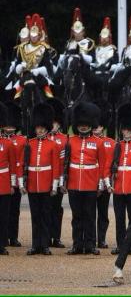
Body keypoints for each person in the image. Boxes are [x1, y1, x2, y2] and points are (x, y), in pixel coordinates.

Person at [62, 102, 105, 255]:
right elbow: (65, 164)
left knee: (90, 215)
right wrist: (64, 182)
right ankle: (77, 244)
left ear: (90, 125)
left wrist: (100, 184)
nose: (83, 127)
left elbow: (102, 164)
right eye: (80, 124)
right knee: (76, 216)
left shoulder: (98, 142)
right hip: (74, 183)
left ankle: (90, 244)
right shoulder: (71, 141)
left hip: (90, 183)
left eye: (86, 124)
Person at [104, 103, 131, 255]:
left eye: (128, 130)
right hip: (118, 188)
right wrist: (108, 183)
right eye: (124, 130)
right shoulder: (117, 146)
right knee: (119, 219)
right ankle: (121, 245)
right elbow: (108, 166)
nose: (126, 132)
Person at [18, 103, 58, 255]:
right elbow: (23, 164)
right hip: (33, 185)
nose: (40, 130)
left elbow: (55, 167)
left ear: (46, 128)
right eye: (38, 128)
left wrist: (54, 186)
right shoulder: (30, 144)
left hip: (47, 184)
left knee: (46, 215)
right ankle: (36, 244)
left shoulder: (52, 145)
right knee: (35, 216)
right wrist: (21, 183)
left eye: (42, 128)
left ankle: (45, 244)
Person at [13, 13, 54, 99]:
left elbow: (48, 67)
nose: (33, 37)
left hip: (39, 77)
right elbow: (17, 65)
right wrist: (20, 67)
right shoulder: (22, 47)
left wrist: (39, 70)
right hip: (24, 76)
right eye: (31, 35)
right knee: (14, 93)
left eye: (35, 36)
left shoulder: (44, 48)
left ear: (39, 35)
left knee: (51, 94)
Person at [3, 102, 26, 248]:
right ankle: (3, 237)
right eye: (7, 125)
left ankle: (13, 236)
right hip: (4, 178)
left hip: (16, 179)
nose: (9, 128)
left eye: (12, 126)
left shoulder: (22, 140)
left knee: (14, 210)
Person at [92, 101, 114, 249]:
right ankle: (90, 238)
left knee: (103, 213)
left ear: (103, 127)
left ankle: (101, 239)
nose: (96, 129)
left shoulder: (111, 143)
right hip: (90, 182)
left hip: (105, 182)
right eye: (94, 127)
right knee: (89, 213)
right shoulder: (88, 141)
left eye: (99, 126)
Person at [46, 98, 67, 248]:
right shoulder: (43, 139)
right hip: (45, 178)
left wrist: (63, 181)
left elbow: (66, 162)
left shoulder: (65, 139)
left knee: (57, 209)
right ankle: (46, 236)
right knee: (45, 209)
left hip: (59, 179)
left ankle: (56, 237)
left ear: (59, 123)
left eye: (55, 123)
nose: (53, 125)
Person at [0, 102, 17, 255]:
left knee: (3, 215)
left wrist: (12, 184)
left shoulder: (7, 143)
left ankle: (1, 243)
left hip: (4, 182)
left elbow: (12, 166)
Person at [90, 17, 119, 101]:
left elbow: (116, 63)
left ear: (109, 37)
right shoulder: (96, 49)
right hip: (96, 74)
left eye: (106, 37)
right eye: (102, 37)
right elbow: (92, 61)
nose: (104, 39)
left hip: (108, 74)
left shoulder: (113, 49)